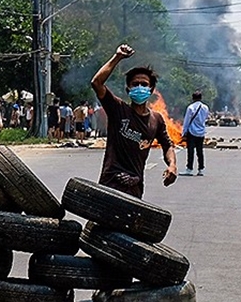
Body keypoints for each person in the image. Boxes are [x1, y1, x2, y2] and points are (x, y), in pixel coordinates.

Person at [90, 44, 177, 198]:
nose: (139, 87)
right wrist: (118, 57)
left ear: (151, 90)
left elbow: (167, 145)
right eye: (135, 84)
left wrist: (172, 165)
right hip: (111, 182)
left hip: (135, 186)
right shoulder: (118, 108)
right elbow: (96, 83)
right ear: (128, 89)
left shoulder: (156, 119)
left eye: (144, 84)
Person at [181, 90, 210, 176]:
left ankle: (189, 169)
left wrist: (184, 132)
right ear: (201, 98)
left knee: (190, 151)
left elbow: (187, 121)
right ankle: (201, 169)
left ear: (193, 98)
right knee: (200, 151)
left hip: (192, 132)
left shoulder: (190, 108)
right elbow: (206, 118)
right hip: (201, 132)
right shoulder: (205, 107)